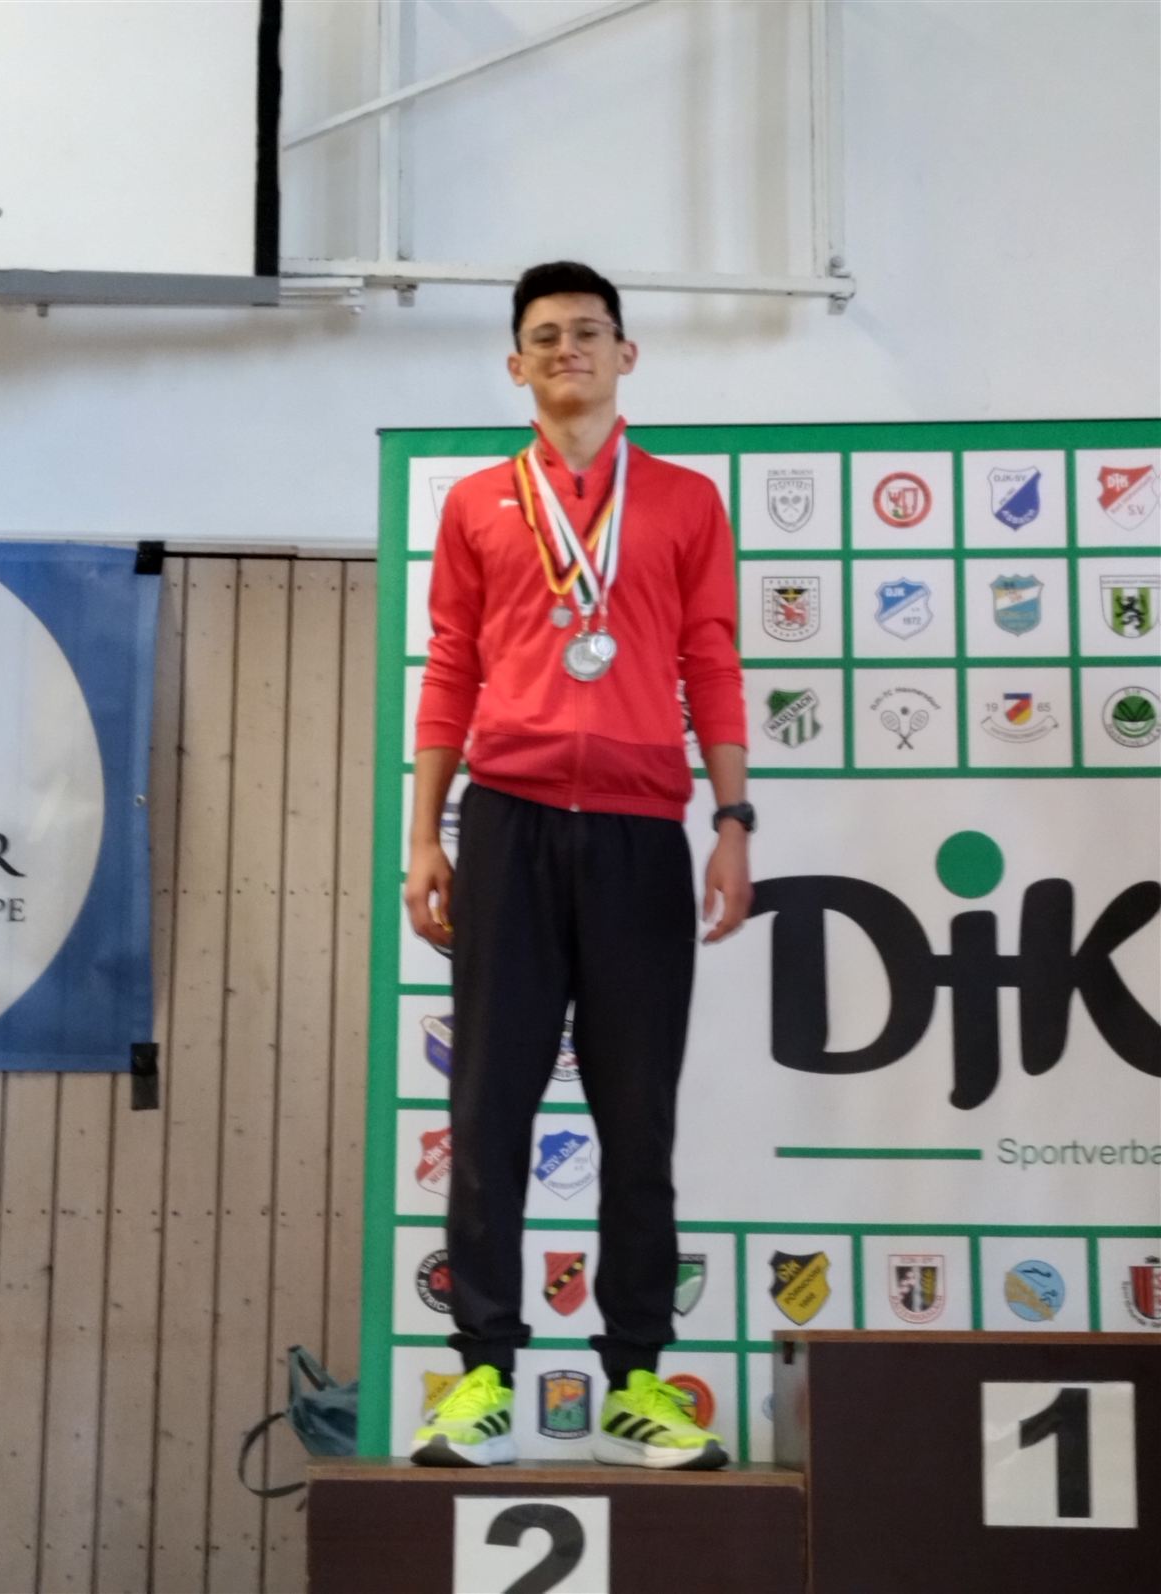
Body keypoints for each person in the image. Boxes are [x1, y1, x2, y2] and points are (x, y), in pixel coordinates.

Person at [404, 261, 753, 1470]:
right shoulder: (477, 505)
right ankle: (482, 1382)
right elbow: (451, 666)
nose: (568, 349)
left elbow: (712, 661)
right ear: (517, 364)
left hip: (639, 832)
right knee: (488, 1110)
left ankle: (638, 1384)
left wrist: (733, 818)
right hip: (506, 822)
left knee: (636, 1119)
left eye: (589, 331)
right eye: (545, 335)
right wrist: (424, 834)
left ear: (625, 354)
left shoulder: (685, 502)